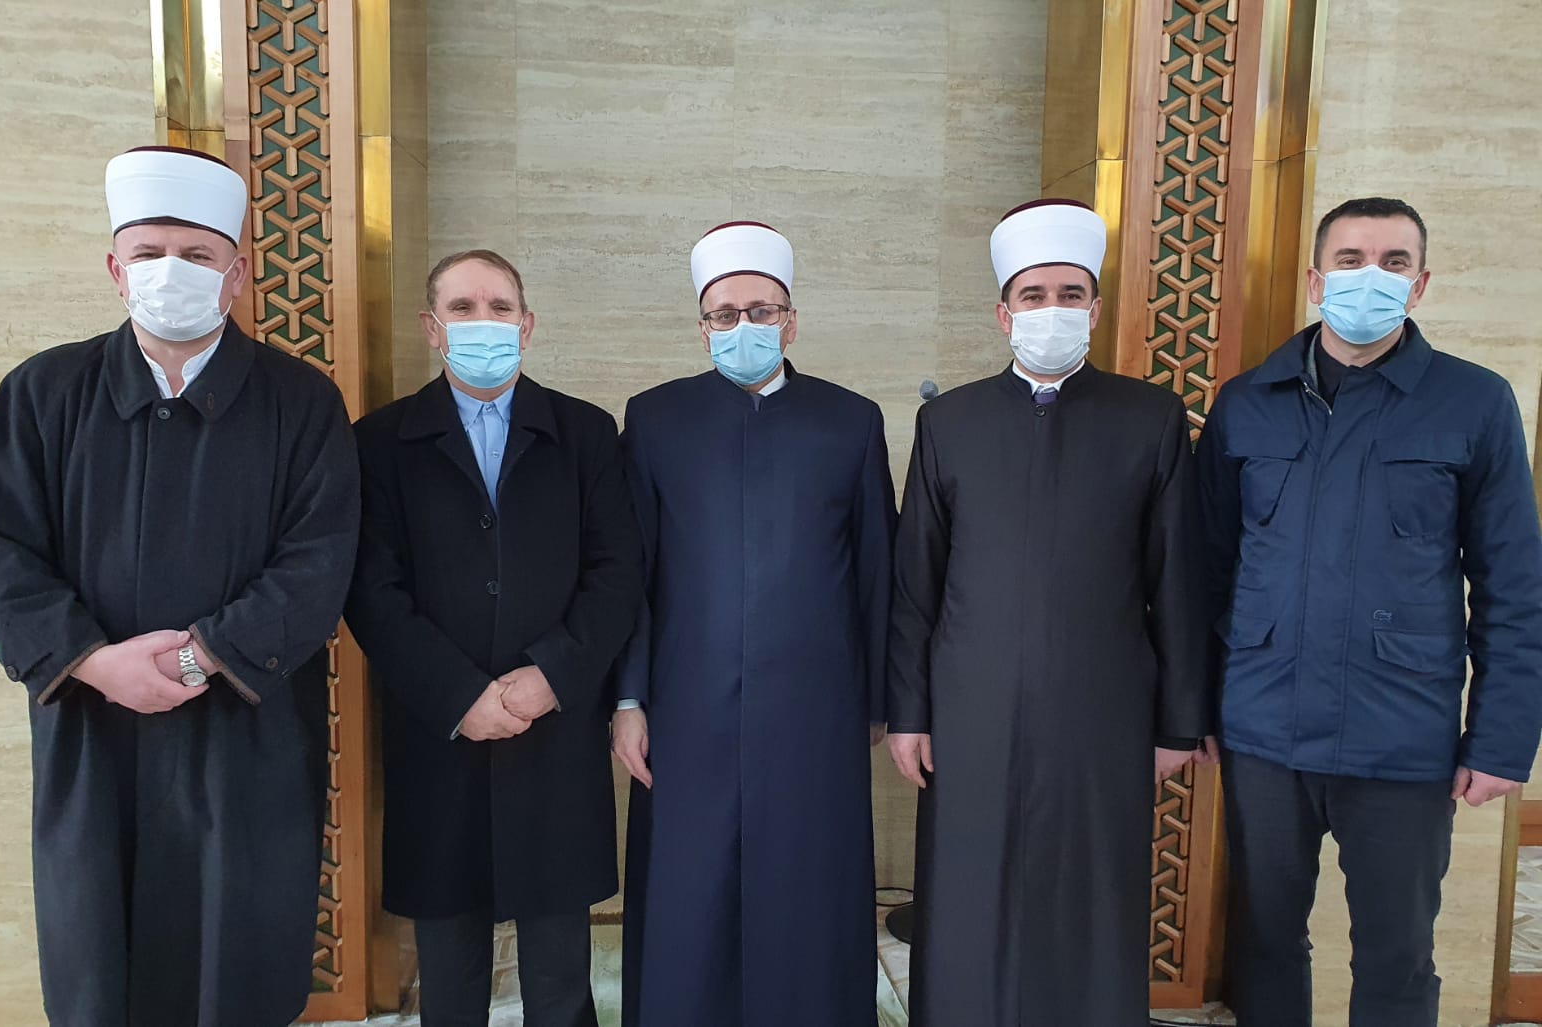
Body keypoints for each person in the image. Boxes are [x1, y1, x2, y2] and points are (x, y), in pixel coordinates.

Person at [0, 145, 359, 1027]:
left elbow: (321, 554)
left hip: (244, 731)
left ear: (237, 275)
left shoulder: (302, 402)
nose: (171, 270)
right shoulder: (43, 393)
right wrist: (90, 659)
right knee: (102, 962)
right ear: (114, 268)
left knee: (238, 963)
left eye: (198, 254)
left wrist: (202, 656)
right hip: (94, 730)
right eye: (149, 252)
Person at [1198, 196, 1542, 1027]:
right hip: (1263, 730)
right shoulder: (1246, 402)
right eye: (1350, 260)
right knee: (1264, 944)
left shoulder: (1474, 402)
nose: (1370, 277)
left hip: (1402, 737)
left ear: (1420, 285)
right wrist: (1194, 709)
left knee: (1396, 955)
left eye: (1393, 263)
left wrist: (1500, 739)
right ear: (1315, 280)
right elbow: (1205, 572)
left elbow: (1513, 585)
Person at [886, 198, 1214, 1026]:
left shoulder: (1151, 418)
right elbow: (915, 582)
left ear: (1095, 310)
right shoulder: (948, 421)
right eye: (1033, 295)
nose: (1052, 310)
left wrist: (1179, 723)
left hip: (1102, 716)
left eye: (1071, 294)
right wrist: (908, 713)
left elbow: (1178, 579)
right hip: (970, 715)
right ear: (1004, 313)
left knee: (1090, 901)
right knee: (969, 899)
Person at [345, 249, 642, 1027]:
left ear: (527, 324)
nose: (484, 322)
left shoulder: (584, 432)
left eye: (500, 307)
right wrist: (459, 695)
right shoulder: (379, 443)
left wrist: (551, 675)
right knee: (449, 976)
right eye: (463, 307)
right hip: (439, 735)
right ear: (431, 327)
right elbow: (371, 590)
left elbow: (617, 573)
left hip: (555, 734)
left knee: (560, 978)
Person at [612, 221, 895, 1027]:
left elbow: (877, 569)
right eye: (725, 314)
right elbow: (632, 574)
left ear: (791, 321)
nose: (744, 326)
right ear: (702, 326)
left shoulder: (851, 420)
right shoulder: (655, 418)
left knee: (808, 891)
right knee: (691, 894)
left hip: (816, 708)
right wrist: (628, 699)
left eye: (762, 311)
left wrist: (880, 700)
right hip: (686, 706)